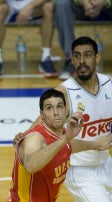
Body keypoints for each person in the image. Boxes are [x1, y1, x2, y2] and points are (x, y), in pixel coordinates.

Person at [14, 36, 112, 201]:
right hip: (80, 170)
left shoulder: (108, 84)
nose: (82, 61)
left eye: (87, 55)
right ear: (72, 60)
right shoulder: (65, 93)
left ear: (97, 57)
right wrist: (24, 138)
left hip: (105, 162)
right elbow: (39, 130)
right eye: (77, 56)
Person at [8, 88, 112, 201]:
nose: (56, 112)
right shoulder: (35, 137)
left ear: (66, 111)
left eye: (60, 106)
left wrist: (94, 145)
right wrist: (65, 138)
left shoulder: (60, 135)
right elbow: (30, 165)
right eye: (49, 108)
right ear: (42, 115)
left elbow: (68, 146)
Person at [0, 0, 57, 79]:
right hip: (9, 4)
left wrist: (29, 6)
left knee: (48, 6)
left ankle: (46, 57)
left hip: (32, 3)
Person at [55, 0, 112, 80]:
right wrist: (84, 2)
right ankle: (71, 59)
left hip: (107, 4)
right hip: (79, 4)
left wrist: (102, 1)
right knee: (62, 3)